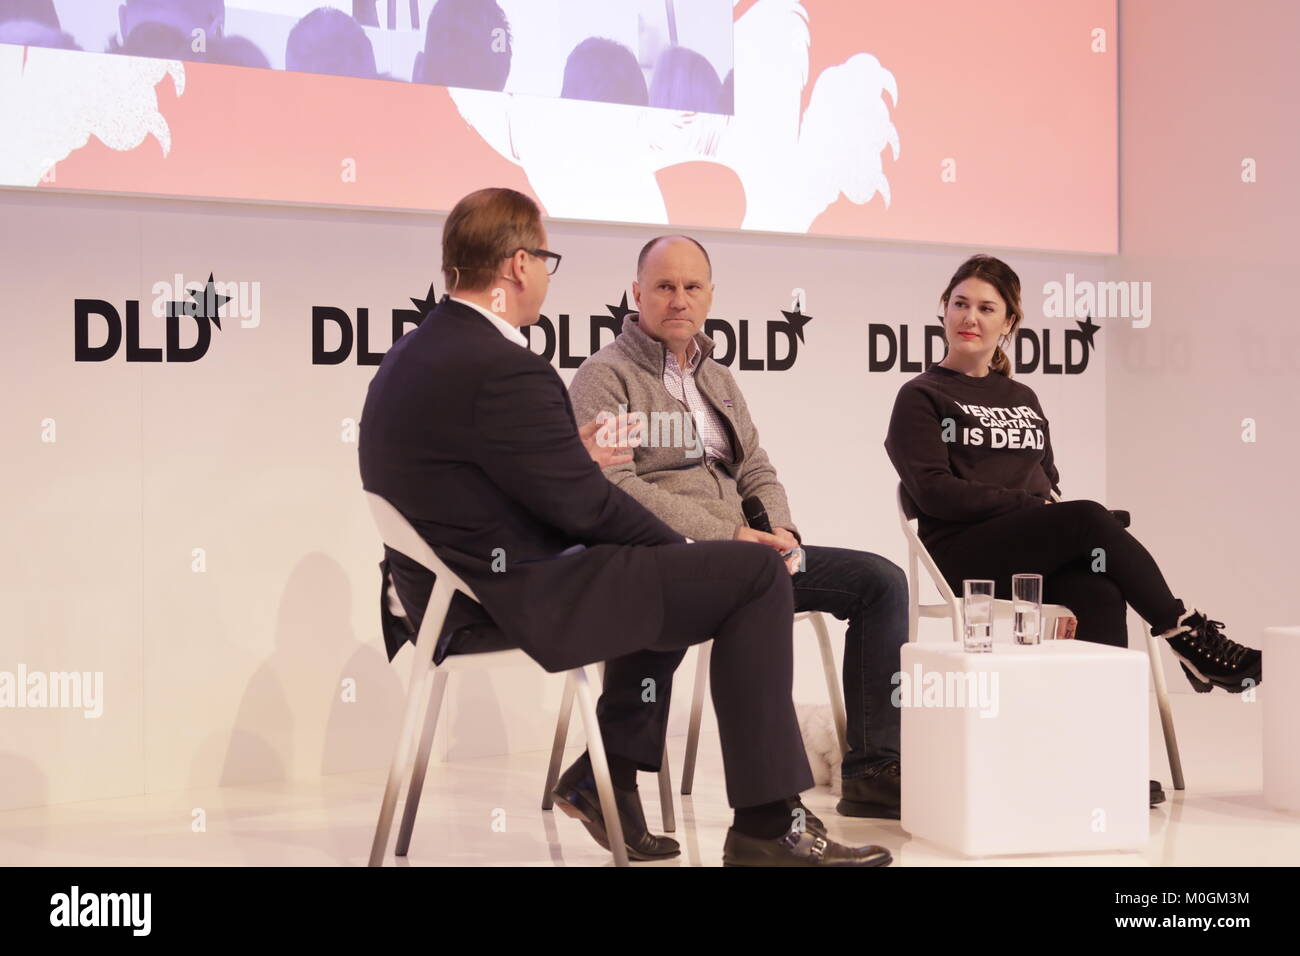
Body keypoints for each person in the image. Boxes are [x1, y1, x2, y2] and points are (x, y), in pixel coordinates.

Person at [358, 187, 890, 866]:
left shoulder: (415, 354)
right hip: (515, 592)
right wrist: (688, 550)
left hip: (456, 586)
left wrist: (569, 458)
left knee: (680, 576)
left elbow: (494, 479)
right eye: (547, 260)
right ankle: (765, 825)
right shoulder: (506, 367)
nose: (548, 277)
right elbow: (586, 508)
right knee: (746, 576)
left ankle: (608, 774)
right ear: (519, 265)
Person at [883, 254, 1263, 804]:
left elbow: (1048, 481)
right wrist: (1026, 508)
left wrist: (1039, 511)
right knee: (1088, 517)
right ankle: (1187, 635)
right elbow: (934, 492)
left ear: (1008, 323)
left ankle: (1104, 761)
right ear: (943, 310)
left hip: (1025, 547)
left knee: (1099, 590)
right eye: (960, 303)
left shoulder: (1022, 398)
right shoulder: (921, 396)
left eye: (986, 308)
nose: (970, 317)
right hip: (964, 555)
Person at [568, 235, 909, 820]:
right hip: (672, 554)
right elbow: (616, 486)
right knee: (676, 588)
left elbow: (754, 465)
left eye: (692, 287)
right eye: (665, 287)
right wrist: (724, 537)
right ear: (636, 293)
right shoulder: (606, 376)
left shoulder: (718, 377)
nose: (679, 299)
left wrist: (779, 530)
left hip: (751, 553)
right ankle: (626, 779)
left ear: (710, 295)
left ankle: (874, 768)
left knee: (879, 580)